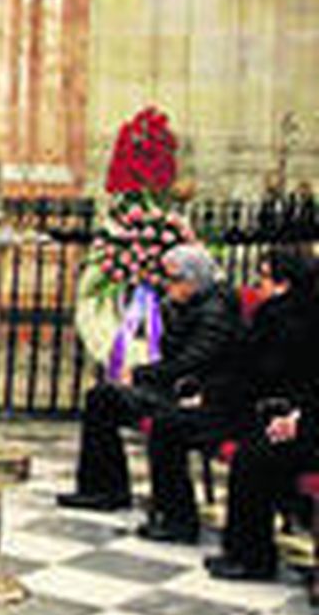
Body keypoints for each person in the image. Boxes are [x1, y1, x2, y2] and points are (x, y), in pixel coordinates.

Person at [59, 243, 245, 541]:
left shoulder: (216, 311)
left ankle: (177, 518)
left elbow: (193, 361)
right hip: (172, 385)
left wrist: (141, 376)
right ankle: (104, 489)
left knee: (165, 425)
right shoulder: (186, 304)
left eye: (173, 279)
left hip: (198, 393)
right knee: (102, 397)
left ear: (193, 280)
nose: (165, 284)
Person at [204, 245, 318, 580]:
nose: (257, 287)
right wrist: (298, 418)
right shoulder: (292, 312)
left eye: (264, 279)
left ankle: (253, 558)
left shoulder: (291, 316)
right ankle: (244, 550)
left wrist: (299, 421)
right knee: (254, 451)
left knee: (255, 458)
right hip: (301, 418)